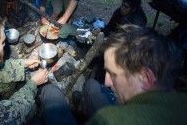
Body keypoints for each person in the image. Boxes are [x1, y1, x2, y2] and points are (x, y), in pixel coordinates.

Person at [37, 24, 187, 125]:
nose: (107, 82)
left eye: (113, 74)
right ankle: (81, 110)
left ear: (145, 77)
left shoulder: (110, 119)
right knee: (92, 85)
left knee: (50, 92)